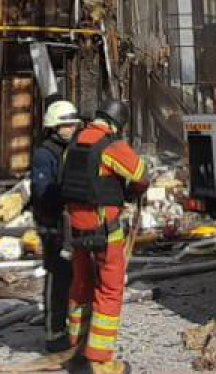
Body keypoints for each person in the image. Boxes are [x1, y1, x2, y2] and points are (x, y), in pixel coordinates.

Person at [61, 99, 149, 374]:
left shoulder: (73, 144)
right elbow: (140, 174)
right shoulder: (110, 146)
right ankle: (99, 361)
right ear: (116, 125)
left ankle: (76, 349)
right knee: (109, 289)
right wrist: (133, 191)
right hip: (104, 230)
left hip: (76, 229)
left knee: (81, 286)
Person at [31, 100, 82, 358]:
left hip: (68, 224)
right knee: (57, 277)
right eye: (67, 124)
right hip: (52, 225)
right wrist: (68, 193)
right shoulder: (45, 154)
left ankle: (70, 327)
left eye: (74, 123)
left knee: (74, 276)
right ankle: (54, 334)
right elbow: (43, 191)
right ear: (54, 127)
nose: (72, 128)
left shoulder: (71, 149)